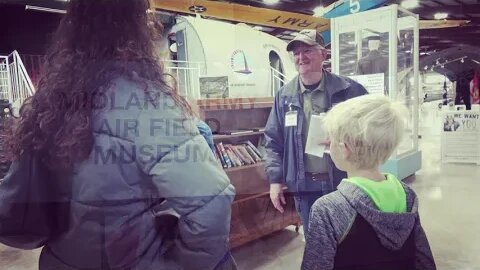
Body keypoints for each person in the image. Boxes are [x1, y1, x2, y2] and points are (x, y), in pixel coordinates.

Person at [0, 1, 235, 269]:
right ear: (136, 27)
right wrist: (182, 263)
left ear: (72, 28)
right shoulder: (148, 102)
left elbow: (17, 198)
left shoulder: (50, 101)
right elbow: (211, 206)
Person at [301, 95, 436, 270]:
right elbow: (424, 261)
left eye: (332, 138)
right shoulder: (406, 195)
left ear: (344, 149)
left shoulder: (327, 208)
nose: (328, 142)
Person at [264, 29, 368, 234]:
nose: (301, 57)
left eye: (307, 50)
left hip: (343, 181)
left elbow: (371, 130)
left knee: (347, 238)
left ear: (323, 54)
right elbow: (273, 141)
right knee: (315, 242)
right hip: (304, 186)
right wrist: (275, 181)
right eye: (296, 53)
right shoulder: (284, 96)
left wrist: (346, 141)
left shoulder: (349, 90)